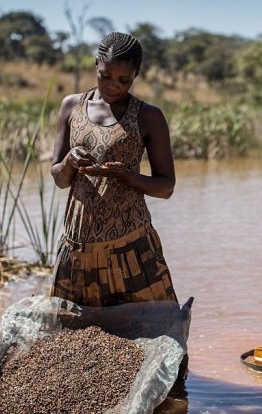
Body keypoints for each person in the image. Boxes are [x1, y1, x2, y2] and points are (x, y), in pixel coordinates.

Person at [49, 32, 178, 307]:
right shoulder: (72, 106)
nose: (112, 86)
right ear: (97, 65)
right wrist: (70, 160)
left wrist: (127, 176)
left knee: (152, 332)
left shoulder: (148, 116)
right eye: (105, 76)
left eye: (124, 80)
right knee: (73, 338)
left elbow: (166, 187)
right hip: (79, 247)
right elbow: (59, 178)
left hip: (131, 250)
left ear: (136, 75)